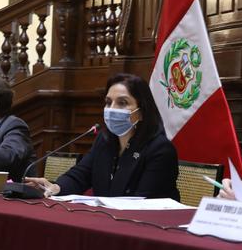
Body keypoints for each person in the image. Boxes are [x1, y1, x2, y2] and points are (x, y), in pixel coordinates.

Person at [25, 73, 180, 200]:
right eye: (108, 102)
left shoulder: (159, 149)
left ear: (141, 111)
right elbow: (81, 174)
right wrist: (55, 187)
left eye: (122, 103)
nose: (112, 109)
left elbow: (145, 201)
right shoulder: (105, 140)